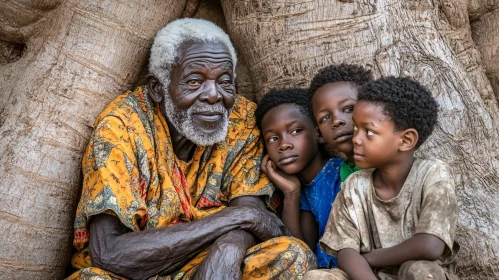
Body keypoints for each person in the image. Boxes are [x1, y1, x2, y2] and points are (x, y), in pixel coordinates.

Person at [68, 18, 316, 280]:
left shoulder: (242, 119)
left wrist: (228, 248)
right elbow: (109, 253)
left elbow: (253, 219)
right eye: (195, 81)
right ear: (157, 88)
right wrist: (237, 218)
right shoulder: (121, 127)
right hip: (134, 272)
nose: (214, 95)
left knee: (292, 255)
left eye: (225, 81)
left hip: (214, 266)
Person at [304, 77, 459, 280]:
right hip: (366, 275)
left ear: (406, 140)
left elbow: (429, 245)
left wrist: (370, 257)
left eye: (369, 132)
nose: (356, 139)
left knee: (419, 271)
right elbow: (346, 253)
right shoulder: (354, 185)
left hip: (415, 272)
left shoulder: (433, 175)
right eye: (356, 129)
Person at [256, 88, 340, 269]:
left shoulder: (341, 175)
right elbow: (302, 252)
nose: (284, 145)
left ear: (318, 134)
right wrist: (291, 193)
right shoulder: (304, 188)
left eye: (295, 131)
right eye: (273, 138)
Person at [308, 64, 373, 182]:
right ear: (320, 135)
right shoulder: (341, 176)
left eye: (348, 109)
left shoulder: (391, 165)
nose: (337, 121)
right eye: (325, 118)